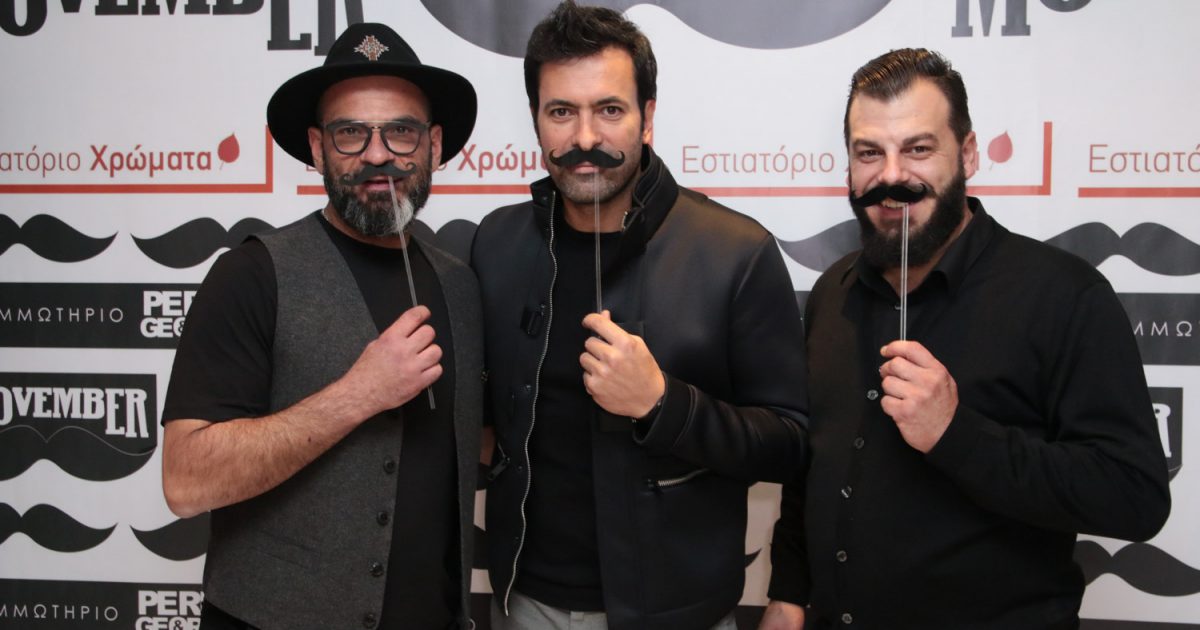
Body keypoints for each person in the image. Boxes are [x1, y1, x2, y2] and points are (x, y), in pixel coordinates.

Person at [760, 48, 1171, 630]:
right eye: (869, 153)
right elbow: (814, 467)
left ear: (969, 153)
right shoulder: (834, 291)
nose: (891, 177)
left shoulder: (1063, 295)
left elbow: (1135, 497)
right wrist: (788, 591)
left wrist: (956, 434)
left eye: (918, 149)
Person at [470, 2, 809, 628]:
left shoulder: (735, 252)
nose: (585, 139)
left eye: (609, 110)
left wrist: (662, 403)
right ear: (536, 120)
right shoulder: (497, 243)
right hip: (524, 600)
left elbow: (789, 444)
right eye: (561, 112)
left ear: (647, 118)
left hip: (676, 612)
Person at [160, 23, 482, 630]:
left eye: (401, 131)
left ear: (434, 145)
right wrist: (357, 395)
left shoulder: (461, 285)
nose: (378, 155)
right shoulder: (252, 275)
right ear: (317, 147)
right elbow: (185, 481)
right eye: (351, 132)